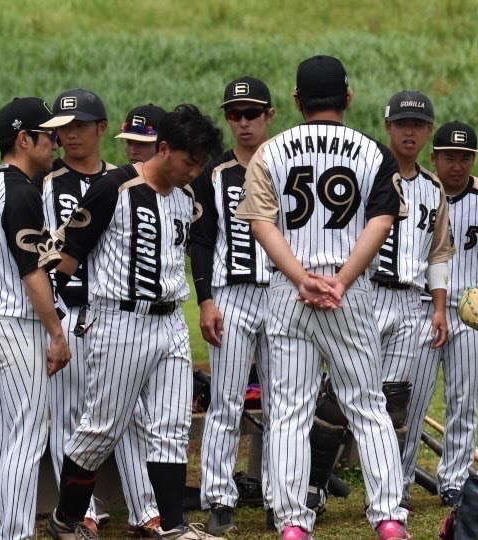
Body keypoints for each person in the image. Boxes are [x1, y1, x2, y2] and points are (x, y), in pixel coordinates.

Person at [236, 55, 412, 540]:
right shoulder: (374, 152)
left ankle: (293, 522)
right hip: (347, 292)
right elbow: (382, 221)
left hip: (288, 291)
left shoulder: (270, 151)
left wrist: (300, 278)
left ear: (297, 99)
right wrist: (342, 280)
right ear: (348, 97)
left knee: (289, 410)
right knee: (367, 405)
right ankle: (388, 517)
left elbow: (261, 223)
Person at [45, 104, 223, 540]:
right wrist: (53, 323)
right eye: (189, 161)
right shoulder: (114, 188)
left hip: (171, 322)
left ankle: (174, 527)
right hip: (121, 322)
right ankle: (65, 519)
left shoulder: (185, 197)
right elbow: (65, 257)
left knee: (171, 426)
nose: (194, 171)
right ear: (163, 149)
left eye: (200, 163)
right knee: (101, 429)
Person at [40, 88, 160, 536]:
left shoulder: (123, 179)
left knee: (127, 414)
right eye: (63, 128)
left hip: (114, 313)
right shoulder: (47, 183)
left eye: (80, 126)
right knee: (70, 412)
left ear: (101, 129)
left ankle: (146, 510)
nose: (71, 135)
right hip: (67, 308)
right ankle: (81, 511)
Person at [0, 96, 71, 539]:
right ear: (23, 139)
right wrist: (57, 333)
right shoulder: (21, 192)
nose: (57, 142)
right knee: (26, 438)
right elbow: (33, 274)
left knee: (10, 436)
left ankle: (2, 530)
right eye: (49, 135)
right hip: (15, 326)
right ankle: (12, 534)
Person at [412, 121, 478, 506]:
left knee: (464, 399)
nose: (457, 165)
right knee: (413, 400)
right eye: (449, 157)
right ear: (434, 157)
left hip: (472, 314)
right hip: (422, 309)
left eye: (464, 157)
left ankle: (455, 480)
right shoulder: (417, 191)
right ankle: (400, 479)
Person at [190, 76, 276, 535]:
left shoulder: (286, 164)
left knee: (284, 401)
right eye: (234, 114)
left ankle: (281, 495)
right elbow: (202, 240)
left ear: (269, 116)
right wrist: (206, 300)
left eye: (252, 113)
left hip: (281, 294)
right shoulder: (214, 173)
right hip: (231, 296)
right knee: (225, 399)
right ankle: (219, 497)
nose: (243, 122)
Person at [374, 91, 453, 509]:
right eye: (402, 123)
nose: (410, 132)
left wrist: (438, 307)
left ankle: (388, 489)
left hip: (410, 300)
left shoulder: (432, 188)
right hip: (366, 295)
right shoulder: (369, 172)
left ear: (428, 131)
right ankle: (315, 488)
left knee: (395, 402)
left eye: (418, 125)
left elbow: (438, 252)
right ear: (388, 126)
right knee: (337, 399)